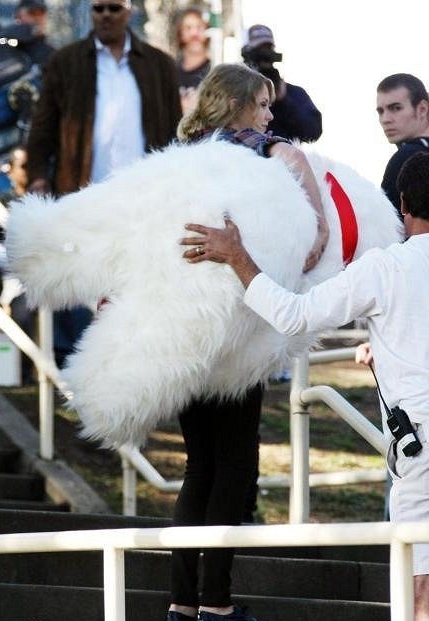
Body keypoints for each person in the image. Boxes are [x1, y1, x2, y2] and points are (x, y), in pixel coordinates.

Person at [180, 150, 429, 621]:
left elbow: (294, 316)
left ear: (403, 206)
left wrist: (237, 257)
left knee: (419, 590)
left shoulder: (385, 268)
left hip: (419, 444)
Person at [166, 63, 328, 621]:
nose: (269, 113)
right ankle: (216, 604)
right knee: (234, 465)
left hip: (187, 327)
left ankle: (183, 604)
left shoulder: (179, 158)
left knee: (199, 466)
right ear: (236, 104)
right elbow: (314, 234)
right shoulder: (268, 155)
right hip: (239, 328)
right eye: (261, 103)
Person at [26, 0, 181, 366]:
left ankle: (132, 364)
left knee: (137, 280)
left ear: (129, 11)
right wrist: (37, 175)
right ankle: (74, 366)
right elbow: (43, 125)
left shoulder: (159, 65)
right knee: (81, 280)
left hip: (145, 196)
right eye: (98, 8)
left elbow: (176, 130)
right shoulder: (66, 61)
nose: (106, 15)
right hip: (83, 191)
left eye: (114, 7)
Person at [241, 24, 322, 143]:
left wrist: (283, 101)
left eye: (268, 50)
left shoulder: (292, 93)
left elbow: (312, 132)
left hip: (282, 157)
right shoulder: (236, 91)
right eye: (259, 52)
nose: (265, 57)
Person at [377, 73, 429, 220]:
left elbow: (388, 228)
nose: (385, 119)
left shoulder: (406, 157)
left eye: (396, 108)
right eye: (380, 111)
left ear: (422, 109)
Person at [174, 7, 211, 114]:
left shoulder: (215, 70)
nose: (194, 34)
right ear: (180, 33)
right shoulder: (170, 72)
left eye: (199, 27)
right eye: (188, 28)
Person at [14, 0, 54, 67]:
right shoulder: (5, 44)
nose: (38, 18)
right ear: (18, 16)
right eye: (32, 13)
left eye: (42, 13)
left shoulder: (51, 53)